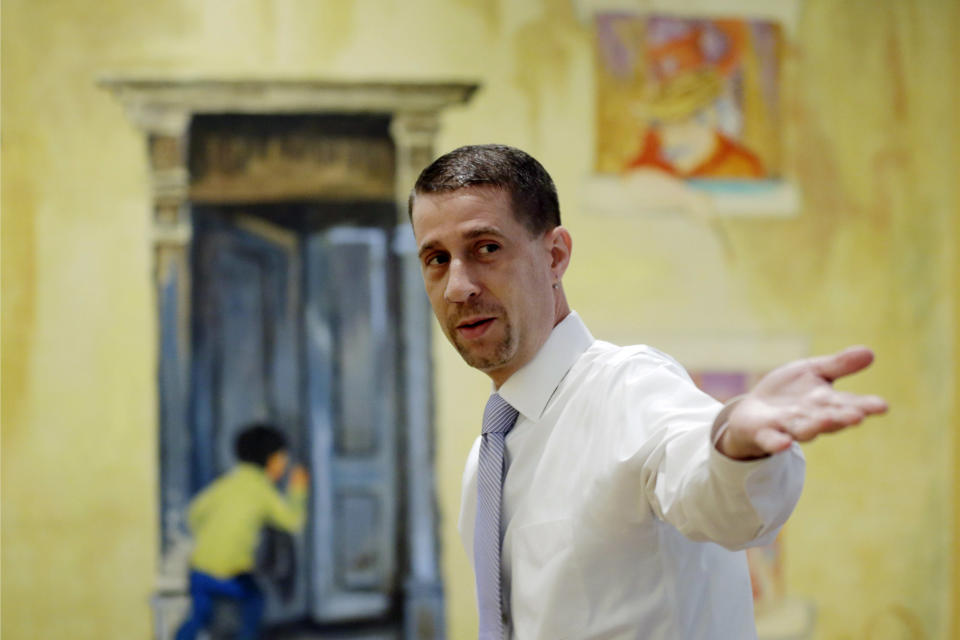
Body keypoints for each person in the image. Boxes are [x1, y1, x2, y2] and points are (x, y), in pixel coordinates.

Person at [408, 144, 887, 640]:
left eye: (486, 248)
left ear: (554, 256)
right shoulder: (486, 463)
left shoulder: (629, 389)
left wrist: (734, 445)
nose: (458, 287)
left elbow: (719, 498)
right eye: (437, 259)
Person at [175, 423, 309, 640]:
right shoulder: (262, 490)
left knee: (198, 616)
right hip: (228, 574)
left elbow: (194, 513)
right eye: (282, 459)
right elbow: (292, 522)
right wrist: (298, 489)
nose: (284, 466)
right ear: (270, 460)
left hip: (199, 570)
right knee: (255, 600)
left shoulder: (227, 483)